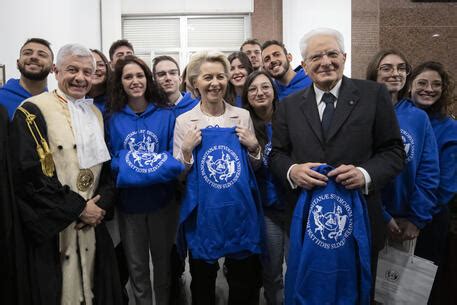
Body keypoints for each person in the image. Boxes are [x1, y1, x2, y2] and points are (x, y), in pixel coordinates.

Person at [269, 28, 405, 302]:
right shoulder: (288, 106)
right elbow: (277, 155)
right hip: (310, 223)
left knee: (357, 293)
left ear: (344, 57)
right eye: (316, 56)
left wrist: (365, 174)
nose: (325, 62)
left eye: (332, 54)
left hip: (361, 219)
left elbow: (393, 152)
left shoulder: (374, 95)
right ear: (304, 65)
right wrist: (292, 171)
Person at [9, 43, 121, 305]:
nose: (80, 78)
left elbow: (106, 169)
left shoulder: (94, 113)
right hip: (54, 228)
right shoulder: (31, 111)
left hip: (91, 223)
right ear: (56, 71)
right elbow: (28, 175)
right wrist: (78, 208)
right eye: (72, 69)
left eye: (87, 72)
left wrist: (100, 204)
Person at [173, 51, 263, 305]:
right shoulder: (184, 121)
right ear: (195, 82)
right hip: (204, 215)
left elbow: (253, 169)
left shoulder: (242, 116)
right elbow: (179, 175)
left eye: (220, 76)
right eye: (208, 77)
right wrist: (187, 151)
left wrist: (255, 147)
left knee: (241, 280)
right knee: (202, 279)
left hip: (238, 212)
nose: (215, 83)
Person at [108, 55, 184, 305]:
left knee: (163, 269)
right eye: (128, 76)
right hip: (129, 207)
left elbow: (175, 161)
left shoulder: (166, 115)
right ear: (120, 82)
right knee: (137, 269)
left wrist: (131, 166)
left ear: (147, 79)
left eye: (139, 75)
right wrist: (154, 166)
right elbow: (113, 162)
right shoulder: (113, 118)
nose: (135, 81)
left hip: (163, 204)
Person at [366, 50, 439, 244]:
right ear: (375, 73)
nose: (395, 73)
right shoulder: (361, 114)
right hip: (369, 214)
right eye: (386, 68)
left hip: (407, 219)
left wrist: (416, 218)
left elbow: (428, 170)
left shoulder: (418, 117)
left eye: (401, 68)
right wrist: (382, 215)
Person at [410, 61, 457, 303]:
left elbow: (446, 185)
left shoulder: (450, 128)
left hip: (428, 218)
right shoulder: (397, 118)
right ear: (410, 85)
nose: (429, 89)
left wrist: (416, 219)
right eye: (422, 83)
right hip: (393, 218)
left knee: (422, 286)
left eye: (436, 84)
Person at [243, 70, 287, 305]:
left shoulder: (292, 118)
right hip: (266, 210)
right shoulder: (243, 125)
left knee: (299, 268)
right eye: (253, 89)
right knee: (271, 272)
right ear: (246, 95)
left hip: (294, 206)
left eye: (265, 87)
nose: (259, 93)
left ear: (274, 91)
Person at [0, 38, 53, 119]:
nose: (34, 57)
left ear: (53, 68)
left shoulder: (56, 106)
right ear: (17, 64)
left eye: (42, 55)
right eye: (27, 53)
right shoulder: (1, 98)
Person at [87, 49, 111, 114]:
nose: (95, 69)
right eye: (90, 65)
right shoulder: (76, 99)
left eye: (100, 65)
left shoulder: (117, 99)